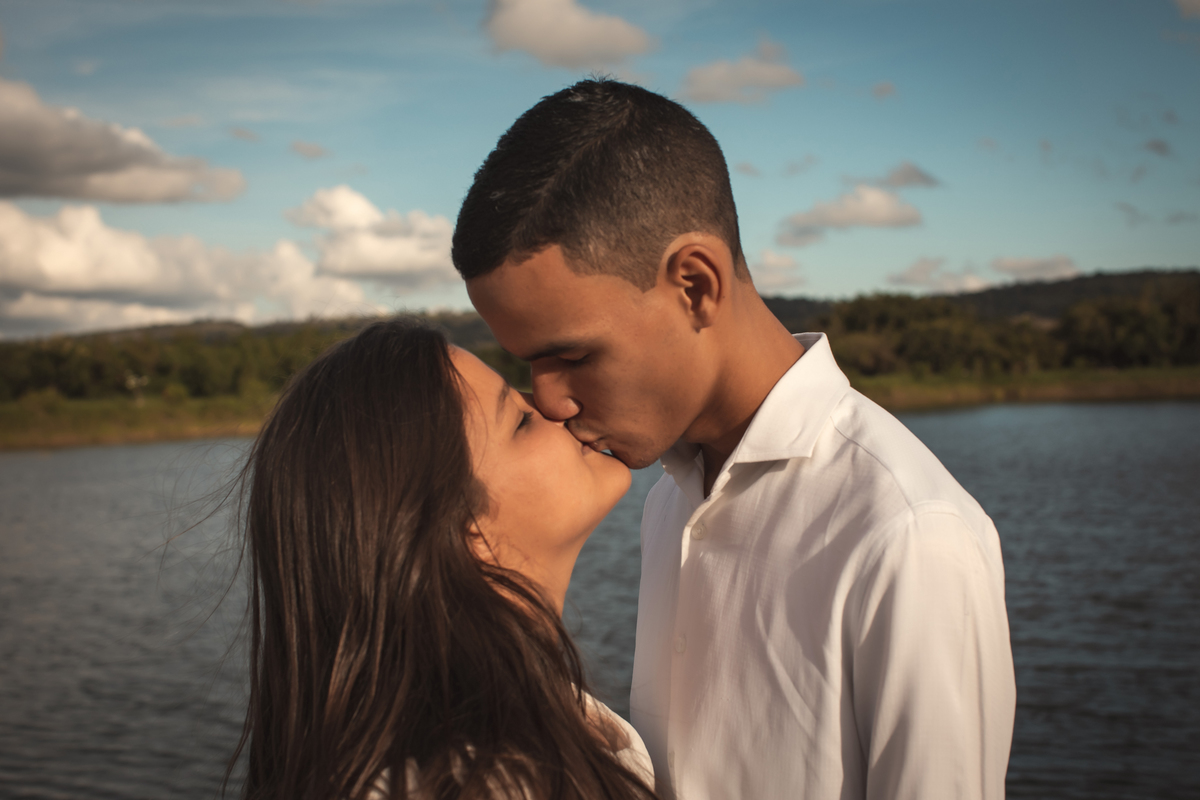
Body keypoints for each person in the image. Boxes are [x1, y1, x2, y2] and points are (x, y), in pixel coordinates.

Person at [453, 79, 1016, 800]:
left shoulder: (908, 535)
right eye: (530, 364)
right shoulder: (668, 499)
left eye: (572, 354)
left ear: (696, 285)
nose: (552, 400)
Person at [229, 318, 656, 800]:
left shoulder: (545, 726)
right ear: (458, 528)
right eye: (519, 421)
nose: (552, 407)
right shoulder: (456, 783)